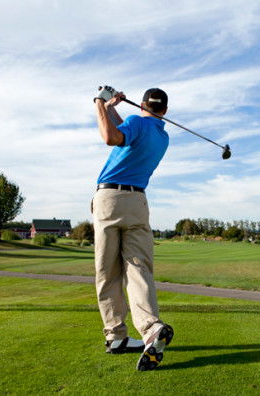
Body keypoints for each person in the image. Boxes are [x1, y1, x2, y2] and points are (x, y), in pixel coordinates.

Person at [92, 86, 174, 371]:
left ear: (141, 105)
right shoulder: (162, 136)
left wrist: (99, 103)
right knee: (138, 269)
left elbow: (111, 137)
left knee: (108, 272)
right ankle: (151, 329)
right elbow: (128, 129)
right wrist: (114, 107)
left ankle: (115, 335)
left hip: (110, 200)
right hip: (138, 201)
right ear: (164, 111)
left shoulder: (136, 122)